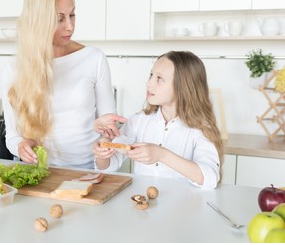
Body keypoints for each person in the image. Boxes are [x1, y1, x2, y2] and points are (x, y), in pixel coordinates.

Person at [2, 0, 125, 169]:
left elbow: (109, 128)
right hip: (41, 174)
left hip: (89, 171)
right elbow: (11, 136)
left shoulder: (93, 58)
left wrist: (106, 137)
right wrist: (21, 147)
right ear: (39, 21)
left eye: (72, 15)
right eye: (60, 19)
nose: (70, 26)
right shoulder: (15, 69)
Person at [93, 51, 224, 189]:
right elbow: (108, 167)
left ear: (183, 86)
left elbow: (210, 178)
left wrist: (162, 155)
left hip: (183, 208)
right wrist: (103, 153)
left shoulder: (201, 128)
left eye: (159, 78)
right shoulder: (138, 121)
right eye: (151, 75)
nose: (149, 83)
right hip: (143, 206)